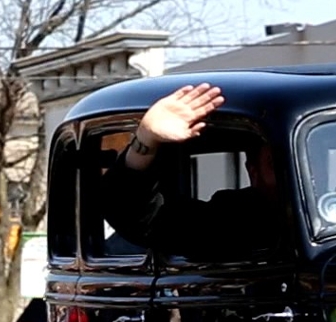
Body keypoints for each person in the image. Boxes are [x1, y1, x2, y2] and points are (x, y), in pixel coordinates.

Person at [102, 83, 284, 258]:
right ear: (254, 173)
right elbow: (143, 219)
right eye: (275, 164)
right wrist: (146, 139)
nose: (295, 178)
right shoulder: (240, 219)